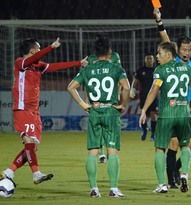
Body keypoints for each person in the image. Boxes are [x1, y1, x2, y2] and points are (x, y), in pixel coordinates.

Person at [0, 37, 88, 184]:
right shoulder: (20, 63)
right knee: (28, 141)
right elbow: (33, 59)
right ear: (33, 50)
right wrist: (51, 47)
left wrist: (78, 63)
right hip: (22, 108)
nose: (40, 51)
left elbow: (57, 66)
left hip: (35, 111)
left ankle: (9, 171)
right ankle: (36, 174)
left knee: (33, 146)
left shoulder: (39, 65)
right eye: (39, 48)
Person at [153, 8, 191, 188]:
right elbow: (165, 39)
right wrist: (159, 21)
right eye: (184, 49)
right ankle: (171, 181)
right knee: (173, 145)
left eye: (190, 49)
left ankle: (176, 170)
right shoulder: (173, 62)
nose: (187, 52)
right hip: (173, 110)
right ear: (177, 50)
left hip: (190, 113)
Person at [67, 34, 130, 198]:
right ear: (109, 52)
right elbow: (126, 87)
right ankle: (113, 189)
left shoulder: (87, 69)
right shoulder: (117, 68)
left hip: (94, 111)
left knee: (93, 152)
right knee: (113, 151)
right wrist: (123, 105)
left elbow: (71, 87)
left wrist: (83, 104)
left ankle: (94, 189)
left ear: (95, 52)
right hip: (110, 111)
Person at [139, 41, 191, 193]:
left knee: (160, 148)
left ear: (168, 54)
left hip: (167, 115)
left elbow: (154, 90)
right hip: (184, 115)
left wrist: (144, 110)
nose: (157, 56)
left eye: (159, 53)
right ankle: (184, 174)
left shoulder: (160, 70)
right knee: (185, 146)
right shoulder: (187, 69)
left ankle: (162, 185)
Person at [86, 50, 122, 163]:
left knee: (97, 130)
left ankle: (102, 154)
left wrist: (84, 103)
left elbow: (80, 84)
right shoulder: (114, 63)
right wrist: (121, 100)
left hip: (96, 105)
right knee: (110, 134)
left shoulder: (90, 62)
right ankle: (105, 154)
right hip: (108, 104)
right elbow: (123, 83)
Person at [130, 52, 158, 141]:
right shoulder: (140, 71)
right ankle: (144, 129)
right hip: (143, 96)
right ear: (145, 60)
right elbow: (135, 82)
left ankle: (153, 134)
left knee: (153, 115)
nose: (149, 60)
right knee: (144, 115)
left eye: (150, 58)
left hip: (154, 96)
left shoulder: (157, 70)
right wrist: (132, 90)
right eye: (147, 58)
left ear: (153, 60)